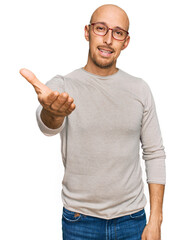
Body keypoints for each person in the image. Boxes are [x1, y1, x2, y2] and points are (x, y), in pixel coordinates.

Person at [19, 4, 166, 240]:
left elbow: (154, 153)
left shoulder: (140, 89)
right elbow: (47, 125)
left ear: (125, 42)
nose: (108, 39)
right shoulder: (63, 85)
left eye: (117, 32)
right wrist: (53, 112)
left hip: (132, 220)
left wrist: (156, 219)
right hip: (79, 222)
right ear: (87, 32)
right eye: (101, 29)